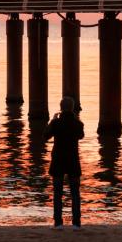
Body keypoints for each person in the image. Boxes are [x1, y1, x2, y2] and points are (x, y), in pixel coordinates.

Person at [44, 96, 84, 229]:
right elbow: (81, 135)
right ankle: (76, 223)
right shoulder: (78, 124)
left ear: (61, 108)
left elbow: (45, 136)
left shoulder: (56, 123)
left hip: (58, 160)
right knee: (75, 193)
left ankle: (58, 223)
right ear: (72, 108)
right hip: (72, 160)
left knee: (57, 193)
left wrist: (52, 121)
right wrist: (77, 120)